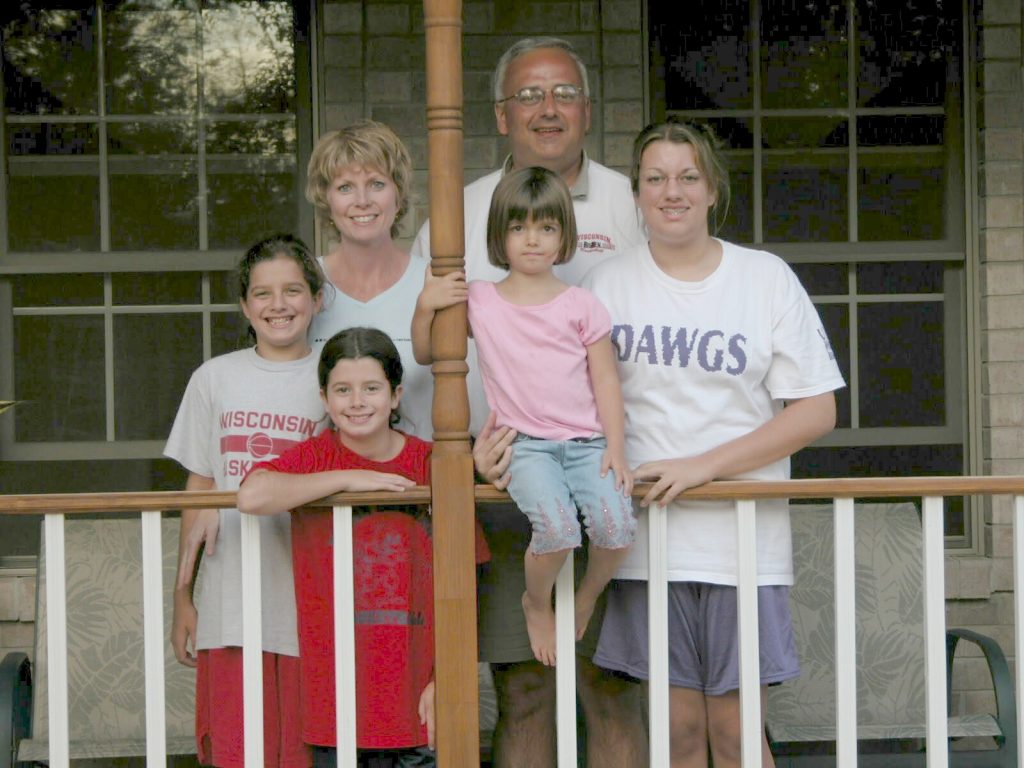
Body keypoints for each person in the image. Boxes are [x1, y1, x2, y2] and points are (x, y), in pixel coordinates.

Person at [410, 36, 648, 768]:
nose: (548, 109)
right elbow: (434, 352)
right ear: (500, 115)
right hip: (510, 481)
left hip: (607, 470)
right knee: (524, 691)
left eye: (564, 94)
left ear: (588, 108)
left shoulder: (635, 201)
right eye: (529, 96)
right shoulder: (460, 211)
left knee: (612, 686)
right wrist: (465, 454)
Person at [583, 120, 846, 768]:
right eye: (655, 178)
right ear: (638, 193)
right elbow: (570, 401)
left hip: (742, 544)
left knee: (734, 734)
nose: (672, 192)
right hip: (647, 543)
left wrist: (703, 467)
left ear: (711, 189)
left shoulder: (764, 278)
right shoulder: (605, 285)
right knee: (675, 736)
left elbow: (816, 408)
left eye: (687, 176)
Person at [412, 166, 635, 668]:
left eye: (546, 228)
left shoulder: (582, 305)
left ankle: (585, 596)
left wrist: (616, 449)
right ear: (500, 236)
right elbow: (427, 353)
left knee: (617, 529)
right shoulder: (481, 300)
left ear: (564, 236)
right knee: (557, 532)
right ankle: (536, 603)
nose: (532, 240)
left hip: (587, 444)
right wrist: (426, 307)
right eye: (518, 228)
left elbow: (606, 382)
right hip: (525, 445)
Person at [236, 327, 489, 768]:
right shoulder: (316, 459)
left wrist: (447, 676)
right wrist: (348, 479)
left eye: (371, 388)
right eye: (342, 390)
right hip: (339, 701)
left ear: (394, 396)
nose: (357, 401)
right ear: (324, 397)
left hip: (420, 695)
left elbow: (469, 581)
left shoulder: (431, 463)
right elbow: (251, 495)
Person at [167, 234, 327, 768]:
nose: (277, 305)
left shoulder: (336, 376)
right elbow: (200, 486)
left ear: (318, 298)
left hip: (309, 597)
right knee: (238, 749)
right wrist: (182, 595)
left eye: (293, 290)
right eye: (262, 293)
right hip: (231, 599)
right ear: (244, 305)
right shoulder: (215, 377)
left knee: (303, 749)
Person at [306, 119, 432, 442]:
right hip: (322, 483)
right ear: (326, 200)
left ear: (399, 194)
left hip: (419, 480)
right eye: (345, 187)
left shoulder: (432, 282)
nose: (362, 200)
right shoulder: (303, 287)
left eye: (376, 184)